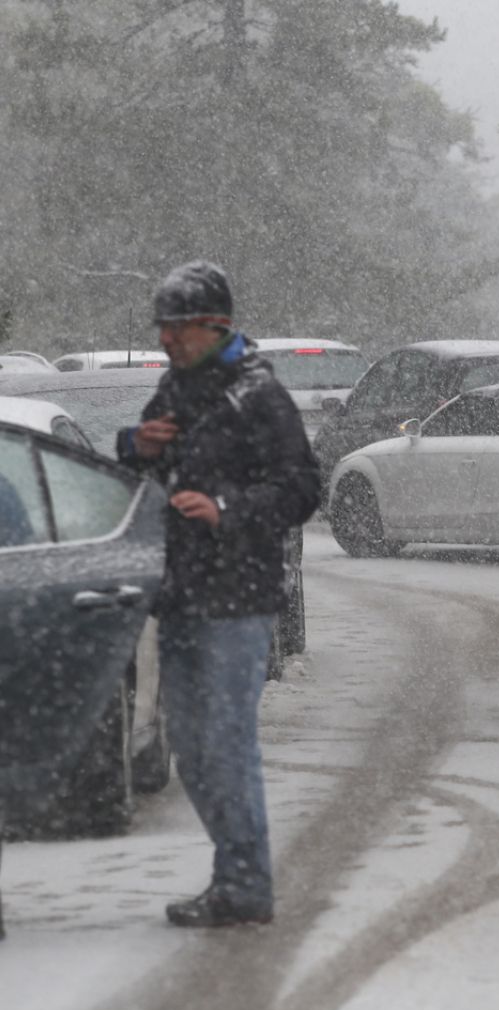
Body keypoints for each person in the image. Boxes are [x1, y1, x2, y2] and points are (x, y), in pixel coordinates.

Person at [118, 260, 320, 927]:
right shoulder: (176, 387)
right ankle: (232, 876)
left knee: (226, 745)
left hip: (238, 601)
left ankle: (245, 884)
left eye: (177, 328)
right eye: (162, 328)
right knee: (195, 753)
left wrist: (227, 510)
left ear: (217, 326)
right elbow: (142, 456)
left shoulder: (261, 395)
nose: (166, 340)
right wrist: (137, 444)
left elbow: (300, 490)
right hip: (178, 595)